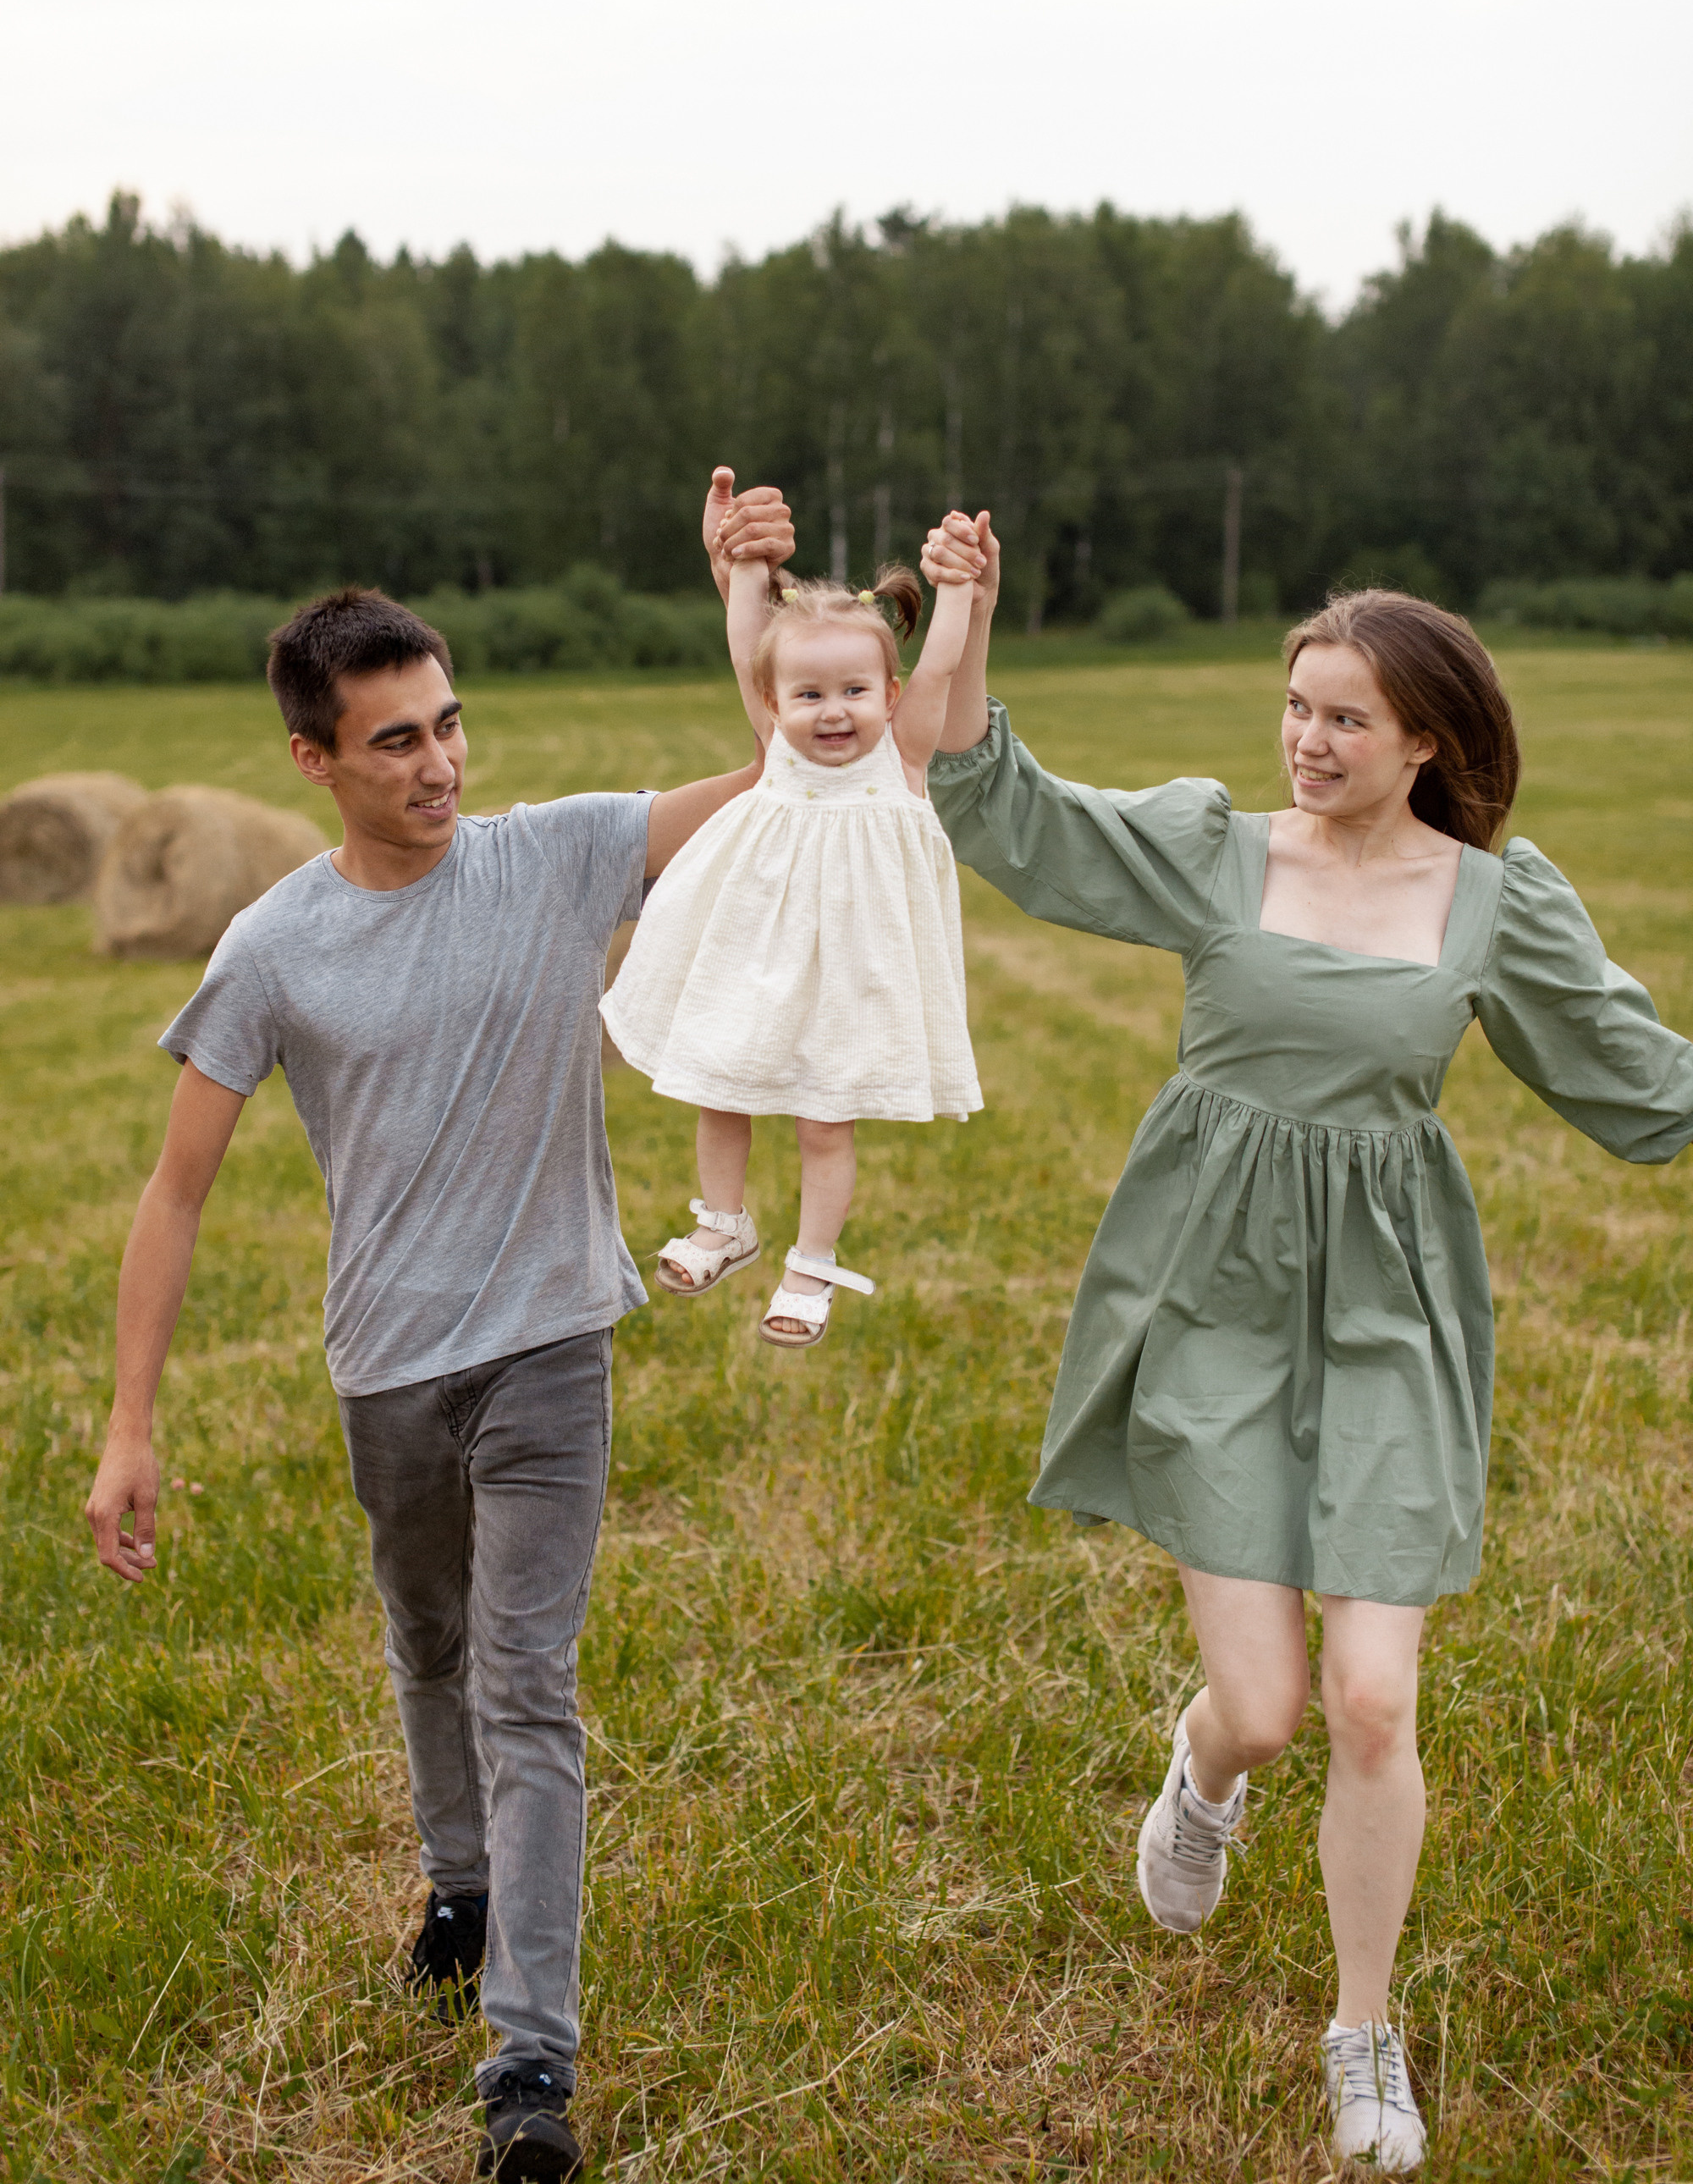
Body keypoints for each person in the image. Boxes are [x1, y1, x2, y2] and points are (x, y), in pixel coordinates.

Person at [920, 515, 1693, 2173]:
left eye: (1346, 715)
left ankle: (1362, 2036)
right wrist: (966, 615)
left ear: (1426, 737)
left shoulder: (1495, 902)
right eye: (1296, 704)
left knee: (1365, 1700)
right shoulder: (1216, 850)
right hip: (1210, 1298)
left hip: (1390, 1316)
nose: (1308, 738)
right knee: (1262, 1710)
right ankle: (1200, 1782)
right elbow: (1007, 811)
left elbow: (1642, 1085)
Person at [82, 476, 797, 2184]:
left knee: (525, 1682)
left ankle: (527, 2071)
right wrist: (128, 1423)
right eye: (395, 741)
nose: (439, 764)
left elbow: (786, 785)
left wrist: (742, 599)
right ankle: (457, 1880)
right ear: (313, 762)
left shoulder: (552, 858)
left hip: (555, 1341)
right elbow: (173, 1193)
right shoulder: (270, 946)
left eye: (450, 726)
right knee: (428, 1651)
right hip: (385, 1370)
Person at [600, 480, 984, 1344]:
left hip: (853, 972)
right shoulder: (777, 747)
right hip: (755, 949)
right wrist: (740, 570)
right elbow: (746, 644)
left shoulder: (904, 754)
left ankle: (811, 1264)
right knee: (717, 1082)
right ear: (775, 705)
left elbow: (943, 663)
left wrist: (956, 584)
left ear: (887, 695)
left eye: (853, 690)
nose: (832, 711)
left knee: (822, 1121)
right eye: (807, 695)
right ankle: (723, 1222)